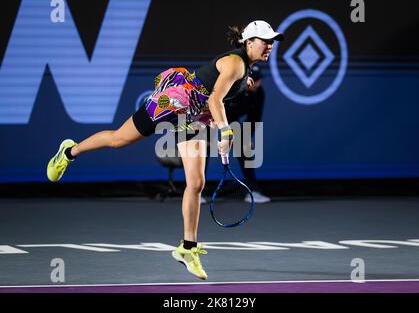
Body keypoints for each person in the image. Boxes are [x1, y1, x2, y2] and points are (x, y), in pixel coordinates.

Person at [46, 20, 284, 280]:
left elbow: (213, 102)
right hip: (172, 102)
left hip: (192, 118)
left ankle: (187, 247)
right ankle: (69, 152)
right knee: (118, 139)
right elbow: (215, 99)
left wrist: (217, 123)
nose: (270, 45)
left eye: (272, 41)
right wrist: (226, 132)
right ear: (249, 42)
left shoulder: (245, 71)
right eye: (265, 40)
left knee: (196, 182)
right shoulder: (235, 63)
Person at [224, 64, 271, 203]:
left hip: (232, 122)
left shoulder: (259, 93)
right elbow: (225, 114)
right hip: (212, 119)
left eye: (259, 79)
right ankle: (197, 192)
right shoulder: (232, 90)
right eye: (255, 80)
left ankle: (253, 191)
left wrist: (245, 138)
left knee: (245, 150)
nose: (258, 83)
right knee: (205, 149)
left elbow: (254, 119)